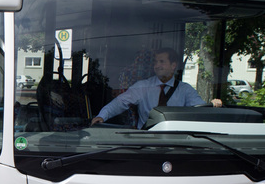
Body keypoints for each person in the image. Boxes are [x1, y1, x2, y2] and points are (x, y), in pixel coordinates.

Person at [91, 47, 223, 128]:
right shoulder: (143, 86)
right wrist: (102, 116)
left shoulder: (185, 90)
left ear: (173, 65)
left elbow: (199, 110)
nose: (157, 65)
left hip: (176, 142)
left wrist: (212, 106)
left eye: (162, 62)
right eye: (155, 62)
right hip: (146, 141)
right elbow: (120, 102)